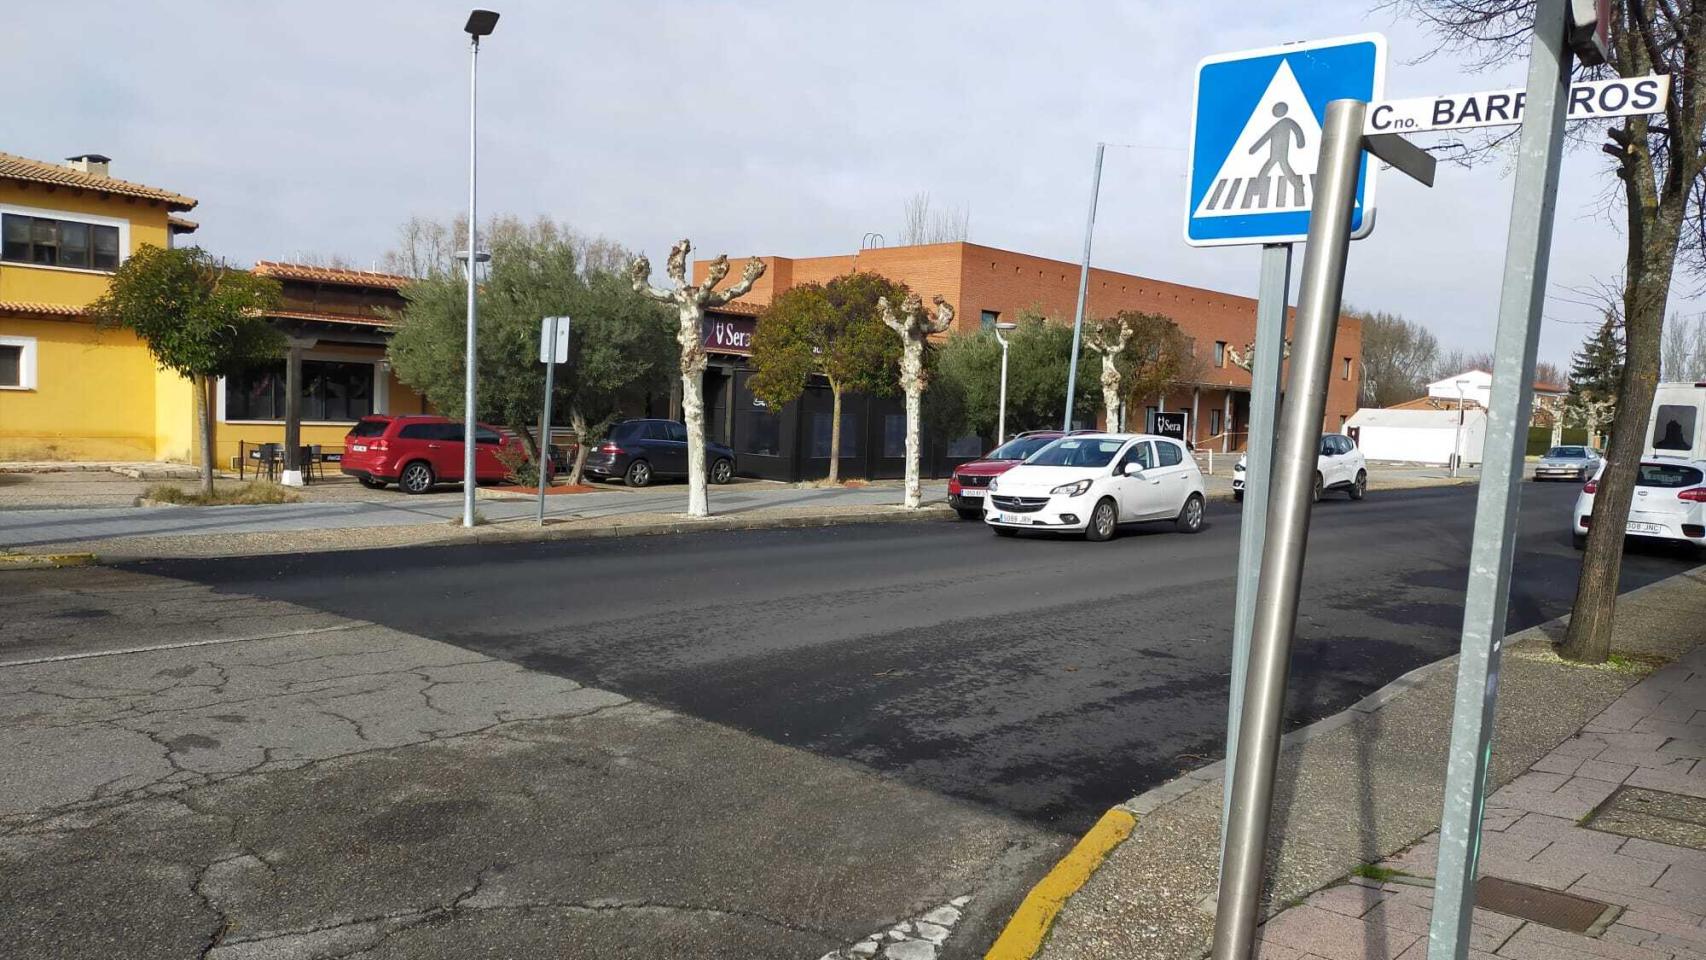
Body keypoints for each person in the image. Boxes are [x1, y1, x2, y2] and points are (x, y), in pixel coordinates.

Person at [1250, 103, 1307, 206]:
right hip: (1275, 153)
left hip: (1280, 153)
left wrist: (1300, 143)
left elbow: (1297, 131)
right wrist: (1253, 149)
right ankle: (1298, 185)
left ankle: (1298, 185)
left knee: (1278, 168)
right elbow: (1266, 137)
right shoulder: (1280, 124)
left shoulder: (1287, 122)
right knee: (1278, 168)